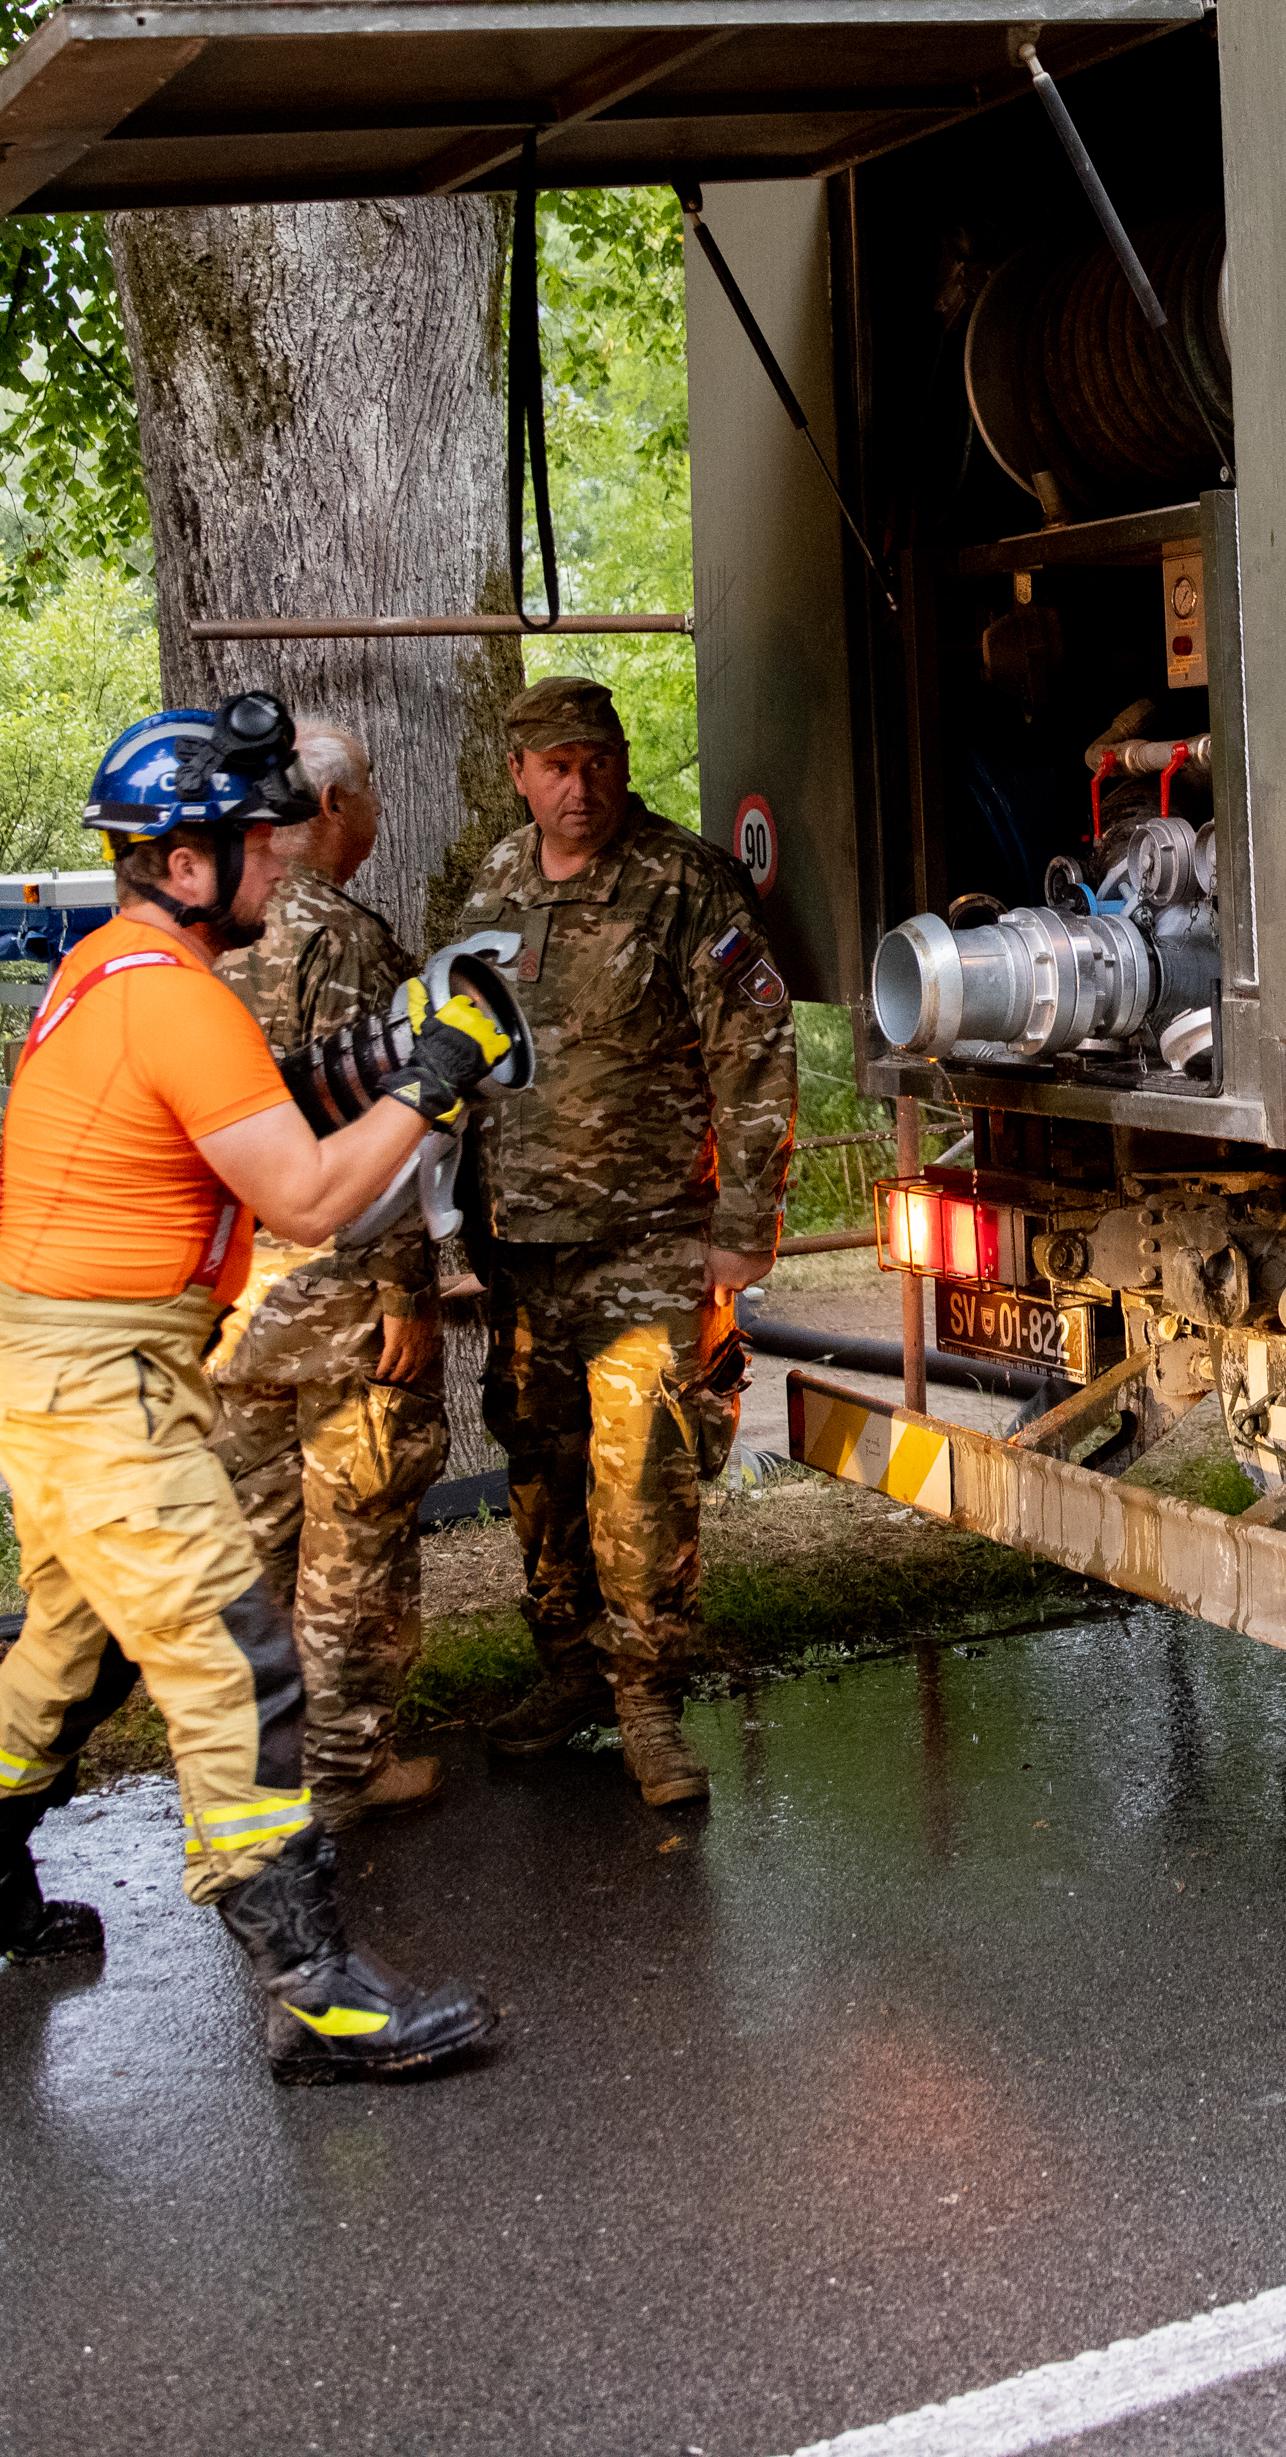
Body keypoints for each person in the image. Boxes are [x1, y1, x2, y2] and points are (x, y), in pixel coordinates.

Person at [0, 693, 512, 2084]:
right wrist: (444, 1078)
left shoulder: (115, 969)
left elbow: (248, 1106)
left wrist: (371, 1061)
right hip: (93, 1380)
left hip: (62, 1358)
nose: (283, 859)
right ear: (183, 862)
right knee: (238, 1657)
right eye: (255, 841)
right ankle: (318, 1987)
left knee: (90, 1631)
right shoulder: (173, 995)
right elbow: (309, 1195)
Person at [443, 676, 794, 1811]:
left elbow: (752, 1046)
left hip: (649, 1238)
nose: (577, 786)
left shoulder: (684, 881)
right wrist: (449, 1223)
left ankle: (646, 1699)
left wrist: (745, 1224)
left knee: (641, 1476)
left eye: (596, 762)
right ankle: (566, 1674)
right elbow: (454, 1050)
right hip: (520, 1245)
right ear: (518, 774)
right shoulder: (493, 883)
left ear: (622, 763)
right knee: (540, 1468)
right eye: (555, 766)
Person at [204, 718, 451, 1824]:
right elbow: (379, 1131)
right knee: (353, 1529)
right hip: (335, 1294)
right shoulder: (339, 940)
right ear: (335, 810)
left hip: (226, 1294)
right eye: (372, 798)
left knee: (249, 1531)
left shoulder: (198, 931)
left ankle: (249, 1765)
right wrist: (406, 1282)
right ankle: (343, 1769)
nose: (376, 816)